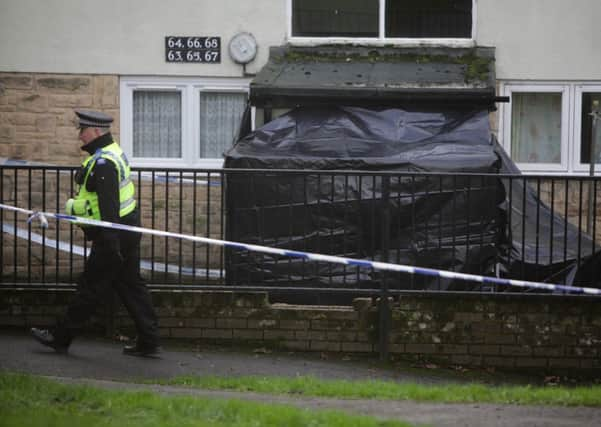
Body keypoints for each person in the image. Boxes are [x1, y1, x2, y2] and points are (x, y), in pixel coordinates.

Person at [31, 109, 160, 357]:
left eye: (83, 130)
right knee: (131, 286)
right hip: (127, 229)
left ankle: (60, 337)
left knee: (90, 287)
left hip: (112, 234)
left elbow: (109, 206)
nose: (80, 136)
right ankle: (149, 340)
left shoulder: (105, 162)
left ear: (96, 131)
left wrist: (110, 244)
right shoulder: (110, 153)